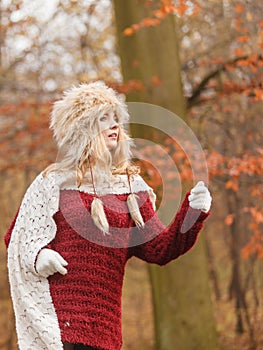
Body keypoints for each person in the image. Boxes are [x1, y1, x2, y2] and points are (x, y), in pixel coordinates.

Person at [4, 81, 212, 350]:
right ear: (81, 128)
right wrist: (38, 255)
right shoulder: (52, 182)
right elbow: (16, 237)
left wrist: (193, 212)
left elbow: (161, 248)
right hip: (56, 326)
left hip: (105, 332)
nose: (114, 125)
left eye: (116, 118)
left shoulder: (130, 189)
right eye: (104, 118)